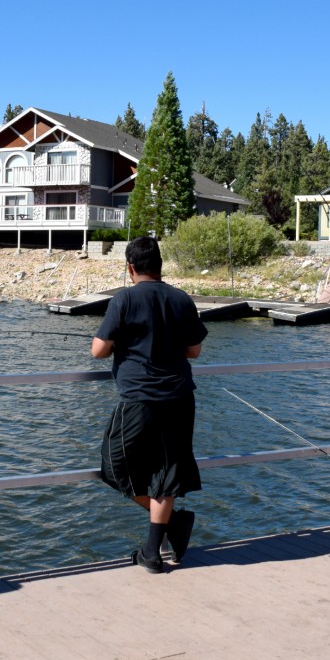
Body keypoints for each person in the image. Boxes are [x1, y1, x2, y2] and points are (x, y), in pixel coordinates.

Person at [91, 236, 208, 573]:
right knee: (166, 474)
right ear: (159, 266)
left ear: (130, 268)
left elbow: (98, 350)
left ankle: (163, 536)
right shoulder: (181, 298)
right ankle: (153, 550)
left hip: (140, 400)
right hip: (180, 398)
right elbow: (194, 350)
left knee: (113, 467)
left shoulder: (123, 299)